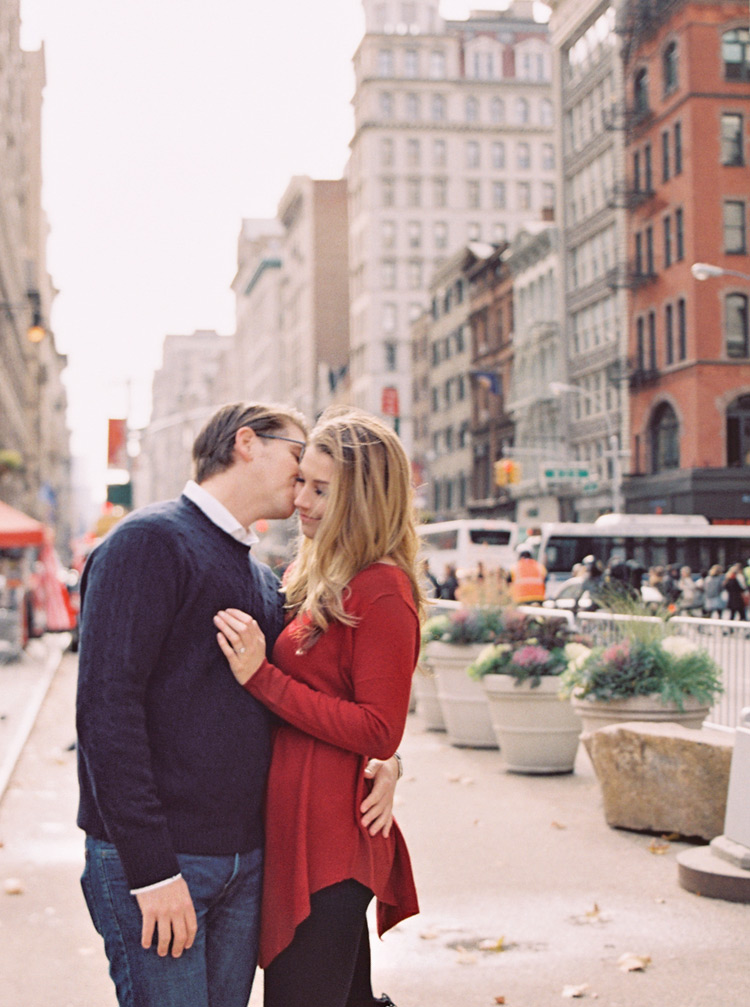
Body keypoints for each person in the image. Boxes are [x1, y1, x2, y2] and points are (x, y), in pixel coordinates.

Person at [76, 402, 400, 1007]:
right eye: (299, 456)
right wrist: (151, 870)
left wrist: (386, 760)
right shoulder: (147, 541)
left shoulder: (263, 579)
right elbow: (106, 713)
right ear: (247, 443)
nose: (303, 481)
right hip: (163, 863)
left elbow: (325, 695)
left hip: (246, 864)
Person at [214, 407, 424, 1007]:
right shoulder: (318, 574)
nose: (300, 499)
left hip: (331, 841)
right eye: (302, 480)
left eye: (321, 489)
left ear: (363, 499)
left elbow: (379, 728)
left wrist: (263, 679)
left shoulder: (383, 588)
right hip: (299, 828)